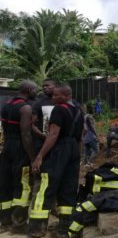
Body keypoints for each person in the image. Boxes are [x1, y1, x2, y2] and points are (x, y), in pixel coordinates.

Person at [29, 84, 84, 237]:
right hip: (73, 149)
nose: (52, 98)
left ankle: (37, 228)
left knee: (46, 185)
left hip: (60, 148)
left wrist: (39, 157)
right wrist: (77, 156)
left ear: (66, 96)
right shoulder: (79, 111)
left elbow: (53, 135)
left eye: (56, 95)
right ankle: (65, 228)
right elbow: (82, 135)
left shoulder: (59, 109)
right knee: (69, 188)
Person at [0, 80, 37, 231]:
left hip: (7, 146)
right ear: (29, 90)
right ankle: (19, 223)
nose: (36, 92)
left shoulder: (7, 104)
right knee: (22, 184)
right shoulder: (25, 108)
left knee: (5, 183)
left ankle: (5, 221)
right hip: (19, 149)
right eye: (35, 89)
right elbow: (26, 135)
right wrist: (33, 157)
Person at [31, 78, 57, 153]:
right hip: (43, 141)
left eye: (47, 85)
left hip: (59, 141)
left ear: (55, 87)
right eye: (43, 86)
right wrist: (43, 136)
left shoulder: (60, 102)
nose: (45, 87)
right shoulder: (39, 103)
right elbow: (32, 124)